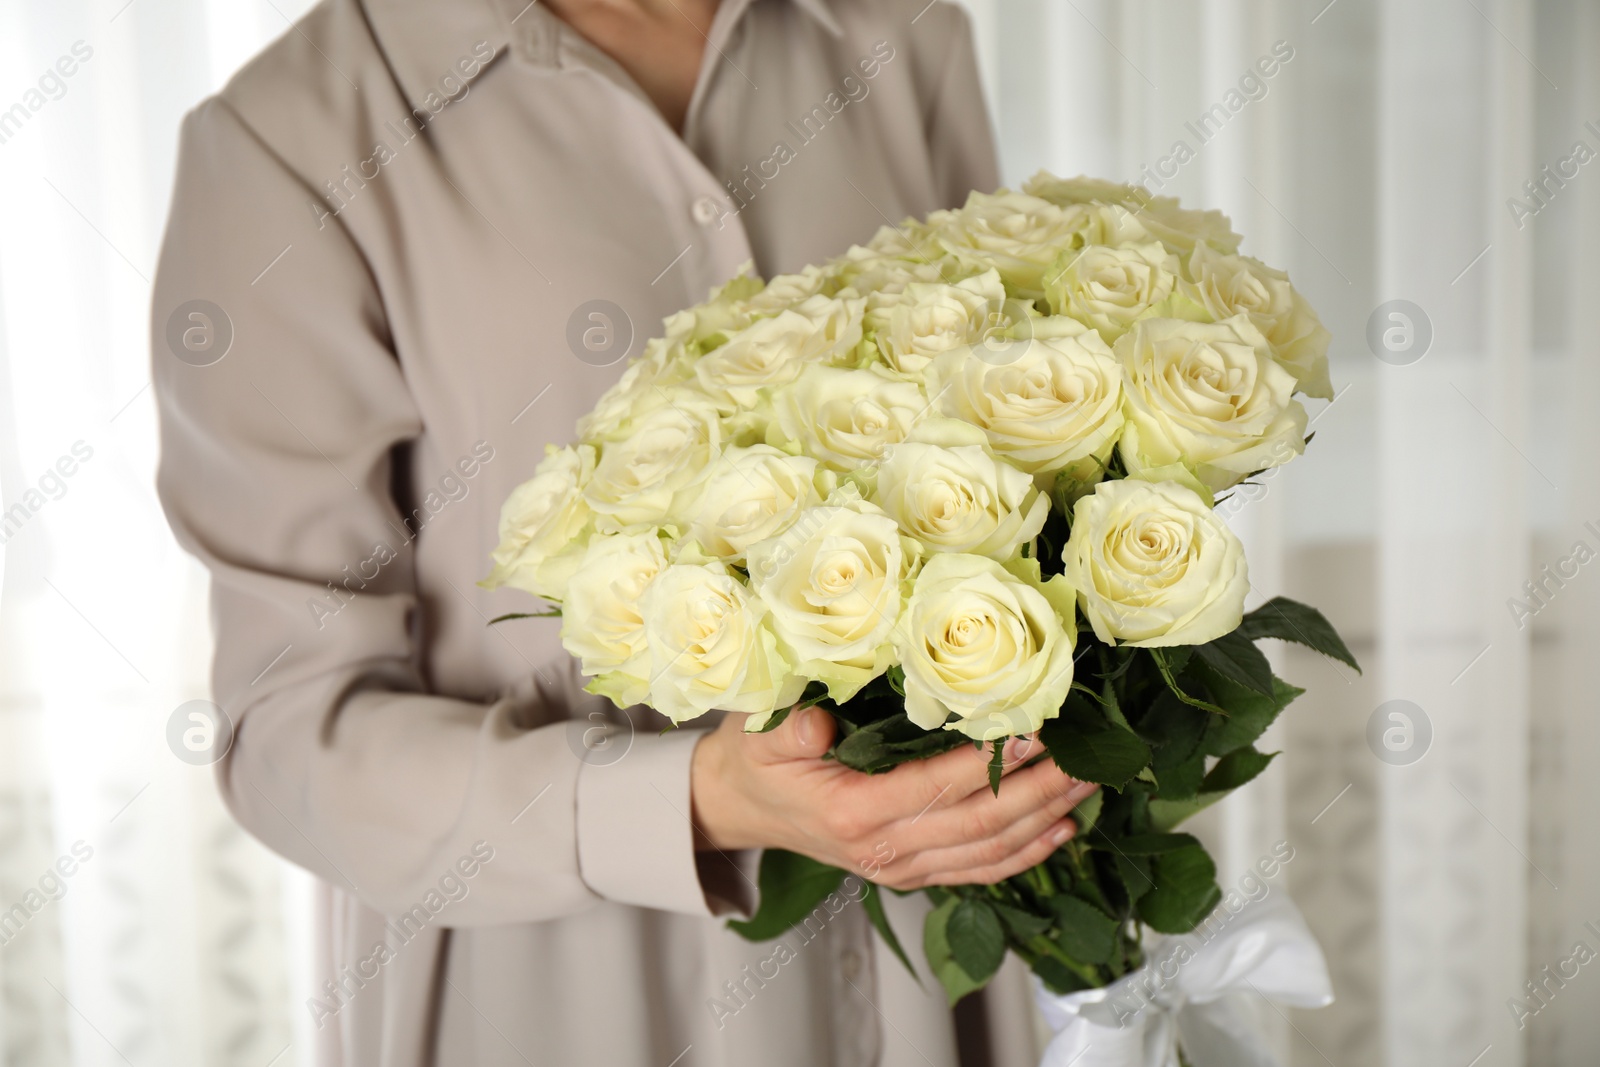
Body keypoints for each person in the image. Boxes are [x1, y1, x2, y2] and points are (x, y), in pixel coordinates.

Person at [151, 0, 1097, 1064]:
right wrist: (681, 800)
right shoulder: (288, 140)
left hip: (927, 952)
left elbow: (1008, 446)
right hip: (550, 993)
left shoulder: (899, 32)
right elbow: (287, 738)